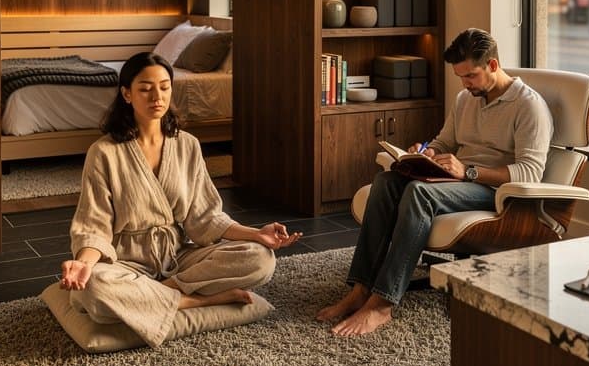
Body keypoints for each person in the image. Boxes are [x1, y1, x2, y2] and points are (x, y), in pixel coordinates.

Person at [317, 28, 553, 336]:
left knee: (419, 194)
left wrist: (467, 171)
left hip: (495, 191)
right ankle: (360, 290)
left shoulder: (528, 105)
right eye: (460, 77)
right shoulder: (465, 99)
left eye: (470, 76)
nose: (465, 84)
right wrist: (426, 151)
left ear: (493, 65)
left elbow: (530, 172)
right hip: (457, 180)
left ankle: (382, 304)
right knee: (387, 181)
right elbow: (445, 142)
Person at [59, 51, 301, 347]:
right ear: (126, 94)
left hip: (177, 259)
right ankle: (193, 302)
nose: (156, 96)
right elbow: (94, 226)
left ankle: (158, 294)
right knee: (92, 289)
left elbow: (206, 218)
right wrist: (84, 263)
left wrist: (257, 234)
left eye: (164, 86)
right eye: (145, 89)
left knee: (261, 259)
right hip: (126, 262)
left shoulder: (187, 145)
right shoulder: (104, 153)